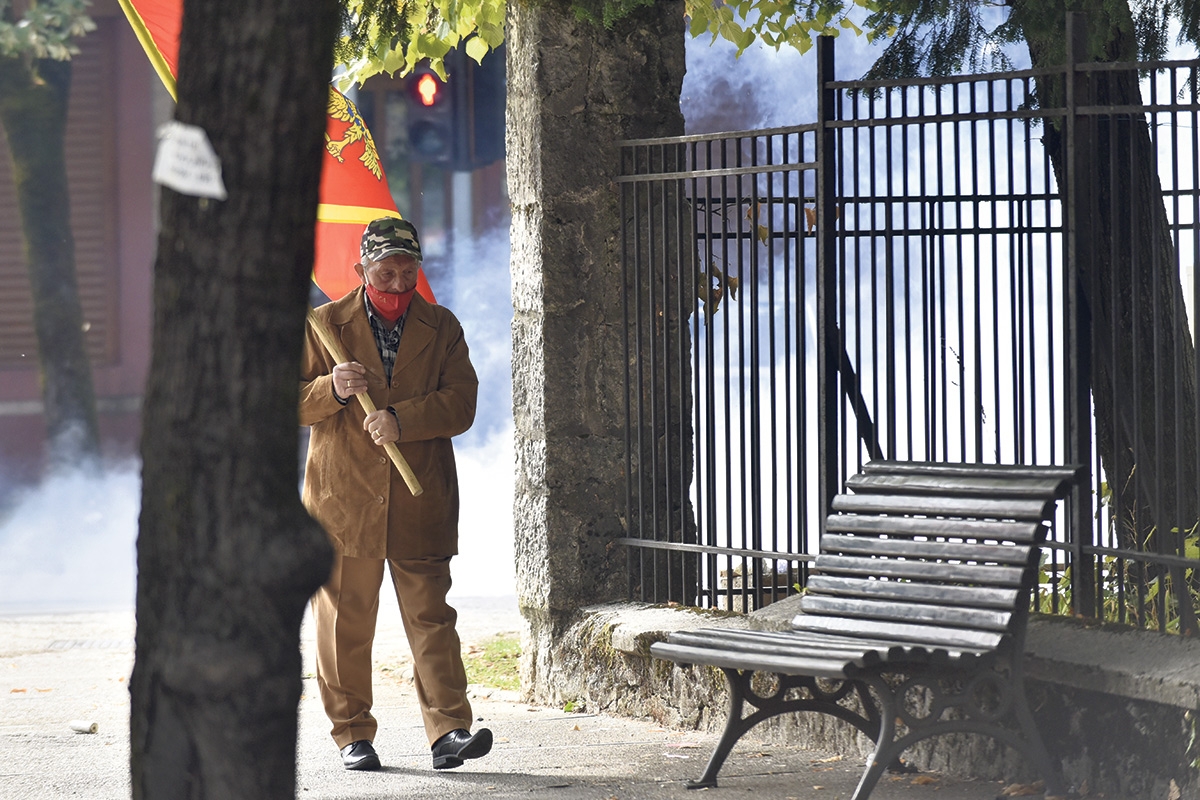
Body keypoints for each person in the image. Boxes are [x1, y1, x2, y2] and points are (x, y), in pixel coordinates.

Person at [299, 216, 491, 772]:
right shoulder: (322, 326)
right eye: (387, 275)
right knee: (345, 622)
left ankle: (450, 730)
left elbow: (462, 403)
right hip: (343, 502)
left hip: (420, 496)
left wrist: (401, 420)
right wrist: (330, 389)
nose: (400, 287)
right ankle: (352, 732)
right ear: (361, 271)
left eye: (409, 274)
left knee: (432, 618)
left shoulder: (441, 326)